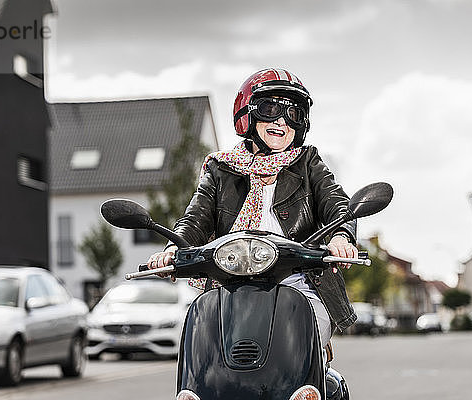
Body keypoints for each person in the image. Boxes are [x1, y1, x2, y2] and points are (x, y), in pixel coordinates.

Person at [147, 68, 358, 354]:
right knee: (200, 347)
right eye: (270, 108)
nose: (281, 121)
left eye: (293, 113)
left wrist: (341, 237)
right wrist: (174, 248)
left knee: (300, 342)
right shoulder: (220, 169)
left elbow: (337, 203)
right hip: (229, 286)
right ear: (248, 113)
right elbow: (196, 218)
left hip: (300, 284)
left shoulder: (308, 162)